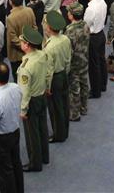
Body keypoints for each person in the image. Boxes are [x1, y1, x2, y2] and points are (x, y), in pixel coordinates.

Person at [0, 62, 24, 193]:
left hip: (2, 139)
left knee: (5, 171)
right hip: (16, 132)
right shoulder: (15, 87)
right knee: (16, 163)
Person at [18, 25, 50, 172]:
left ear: (27, 45)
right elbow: (49, 72)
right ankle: (45, 156)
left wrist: (23, 110)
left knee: (32, 134)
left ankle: (35, 163)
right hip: (42, 95)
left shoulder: (26, 66)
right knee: (43, 127)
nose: (20, 44)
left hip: (32, 101)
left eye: (22, 42)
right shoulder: (42, 55)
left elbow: (25, 91)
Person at [43, 10, 71, 143]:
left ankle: (58, 134)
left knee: (55, 108)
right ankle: (65, 130)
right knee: (65, 104)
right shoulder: (65, 39)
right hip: (64, 74)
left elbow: (48, 70)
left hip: (54, 79)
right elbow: (68, 59)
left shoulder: (49, 47)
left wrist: (47, 87)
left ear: (49, 27)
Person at [65, 2, 90, 121]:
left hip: (74, 63)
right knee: (84, 84)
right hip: (84, 60)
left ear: (71, 15)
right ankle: (84, 107)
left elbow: (68, 50)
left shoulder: (70, 30)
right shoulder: (85, 25)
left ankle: (74, 114)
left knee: (74, 88)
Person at [84, 0, 108, 98]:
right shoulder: (102, 2)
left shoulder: (90, 8)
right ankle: (103, 84)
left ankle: (95, 91)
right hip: (101, 34)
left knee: (93, 66)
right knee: (101, 61)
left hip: (93, 37)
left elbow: (86, 24)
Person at [6, 0, 36, 78]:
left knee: (18, 77)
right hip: (30, 49)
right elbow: (35, 28)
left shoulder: (10, 18)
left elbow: (13, 38)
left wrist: (24, 47)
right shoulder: (29, 10)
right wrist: (29, 45)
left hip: (17, 54)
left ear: (10, 2)